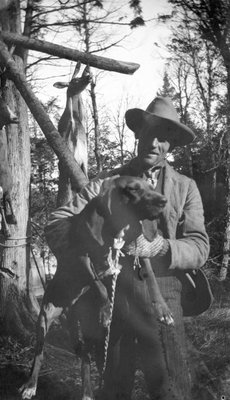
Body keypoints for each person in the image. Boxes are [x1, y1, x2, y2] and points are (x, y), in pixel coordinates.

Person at [48, 97, 210, 400]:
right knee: (114, 387)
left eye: (163, 137)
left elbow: (199, 246)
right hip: (115, 293)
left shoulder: (184, 187)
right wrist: (97, 241)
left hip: (164, 293)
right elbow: (56, 224)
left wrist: (159, 246)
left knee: (169, 387)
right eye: (149, 133)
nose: (154, 143)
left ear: (171, 144)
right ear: (138, 135)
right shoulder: (108, 184)